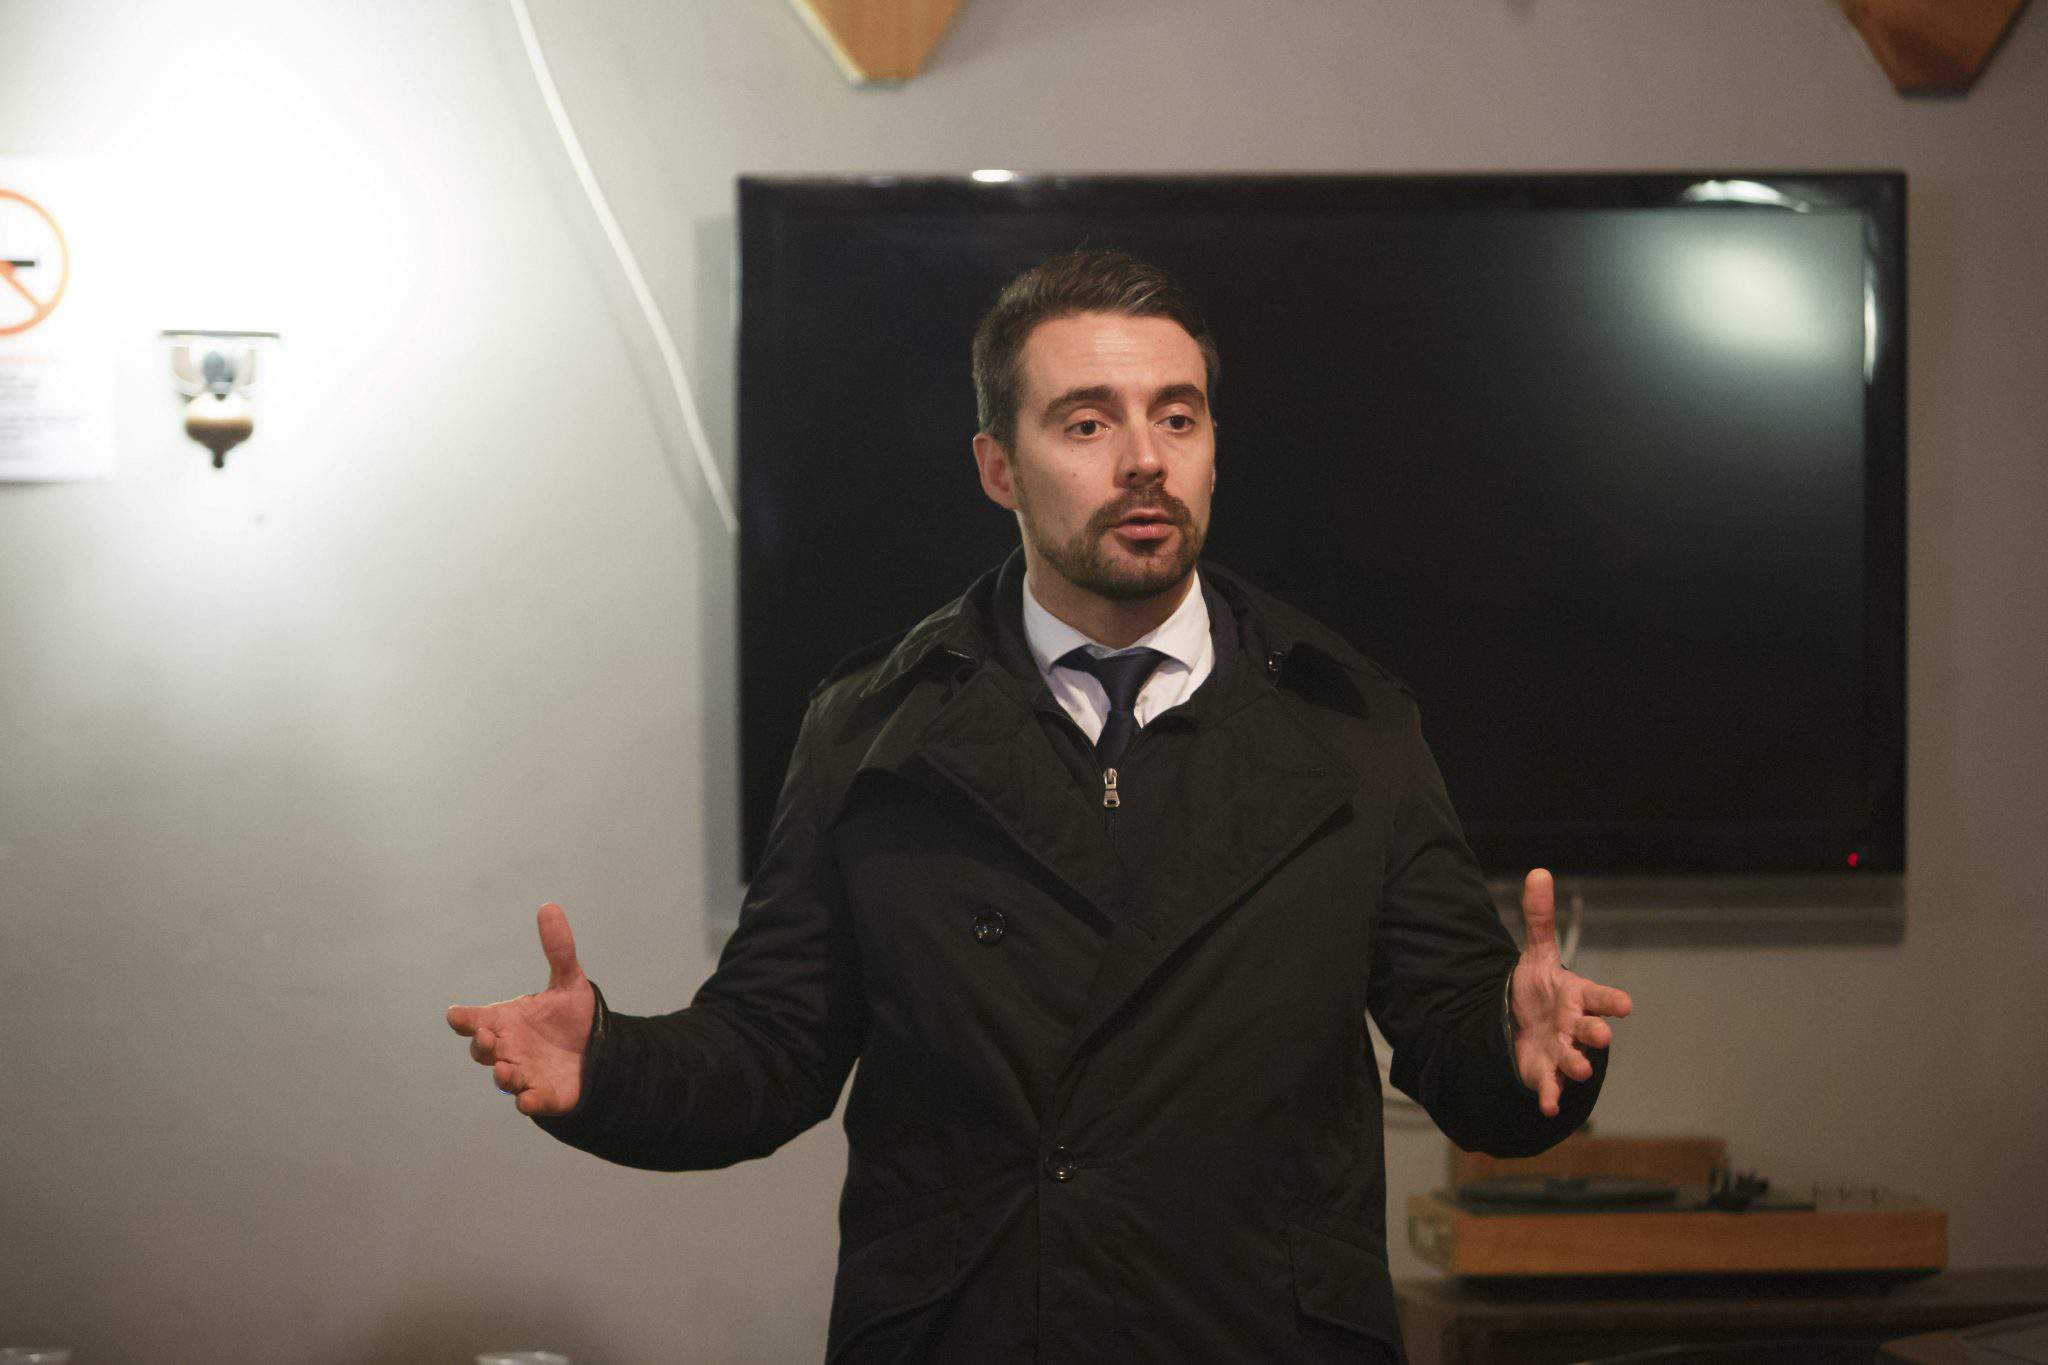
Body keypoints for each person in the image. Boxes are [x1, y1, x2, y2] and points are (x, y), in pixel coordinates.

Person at [447, 249, 1634, 1363]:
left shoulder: (1350, 726)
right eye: (1087, 423)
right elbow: (772, 1049)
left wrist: (1526, 1047)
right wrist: (609, 1065)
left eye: (1177, 417)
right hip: (972, 1331)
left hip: (1256, 1333)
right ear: (997, 469)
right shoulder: (871, 733)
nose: (1144, 460)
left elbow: (1456, 1038)